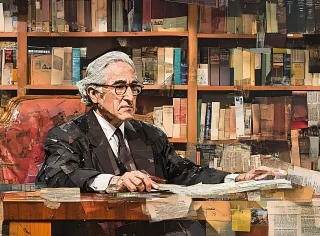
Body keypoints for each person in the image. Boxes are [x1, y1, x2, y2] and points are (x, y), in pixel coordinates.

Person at [36, 51, 282, 193]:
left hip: (152, 234)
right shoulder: (67, 134)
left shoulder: (150, 134)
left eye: (134, 87)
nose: (130, 97)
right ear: (93, 94)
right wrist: (114, 181)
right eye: (120, 87)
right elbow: (56, 176)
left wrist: (238, 179)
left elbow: (185, 172)